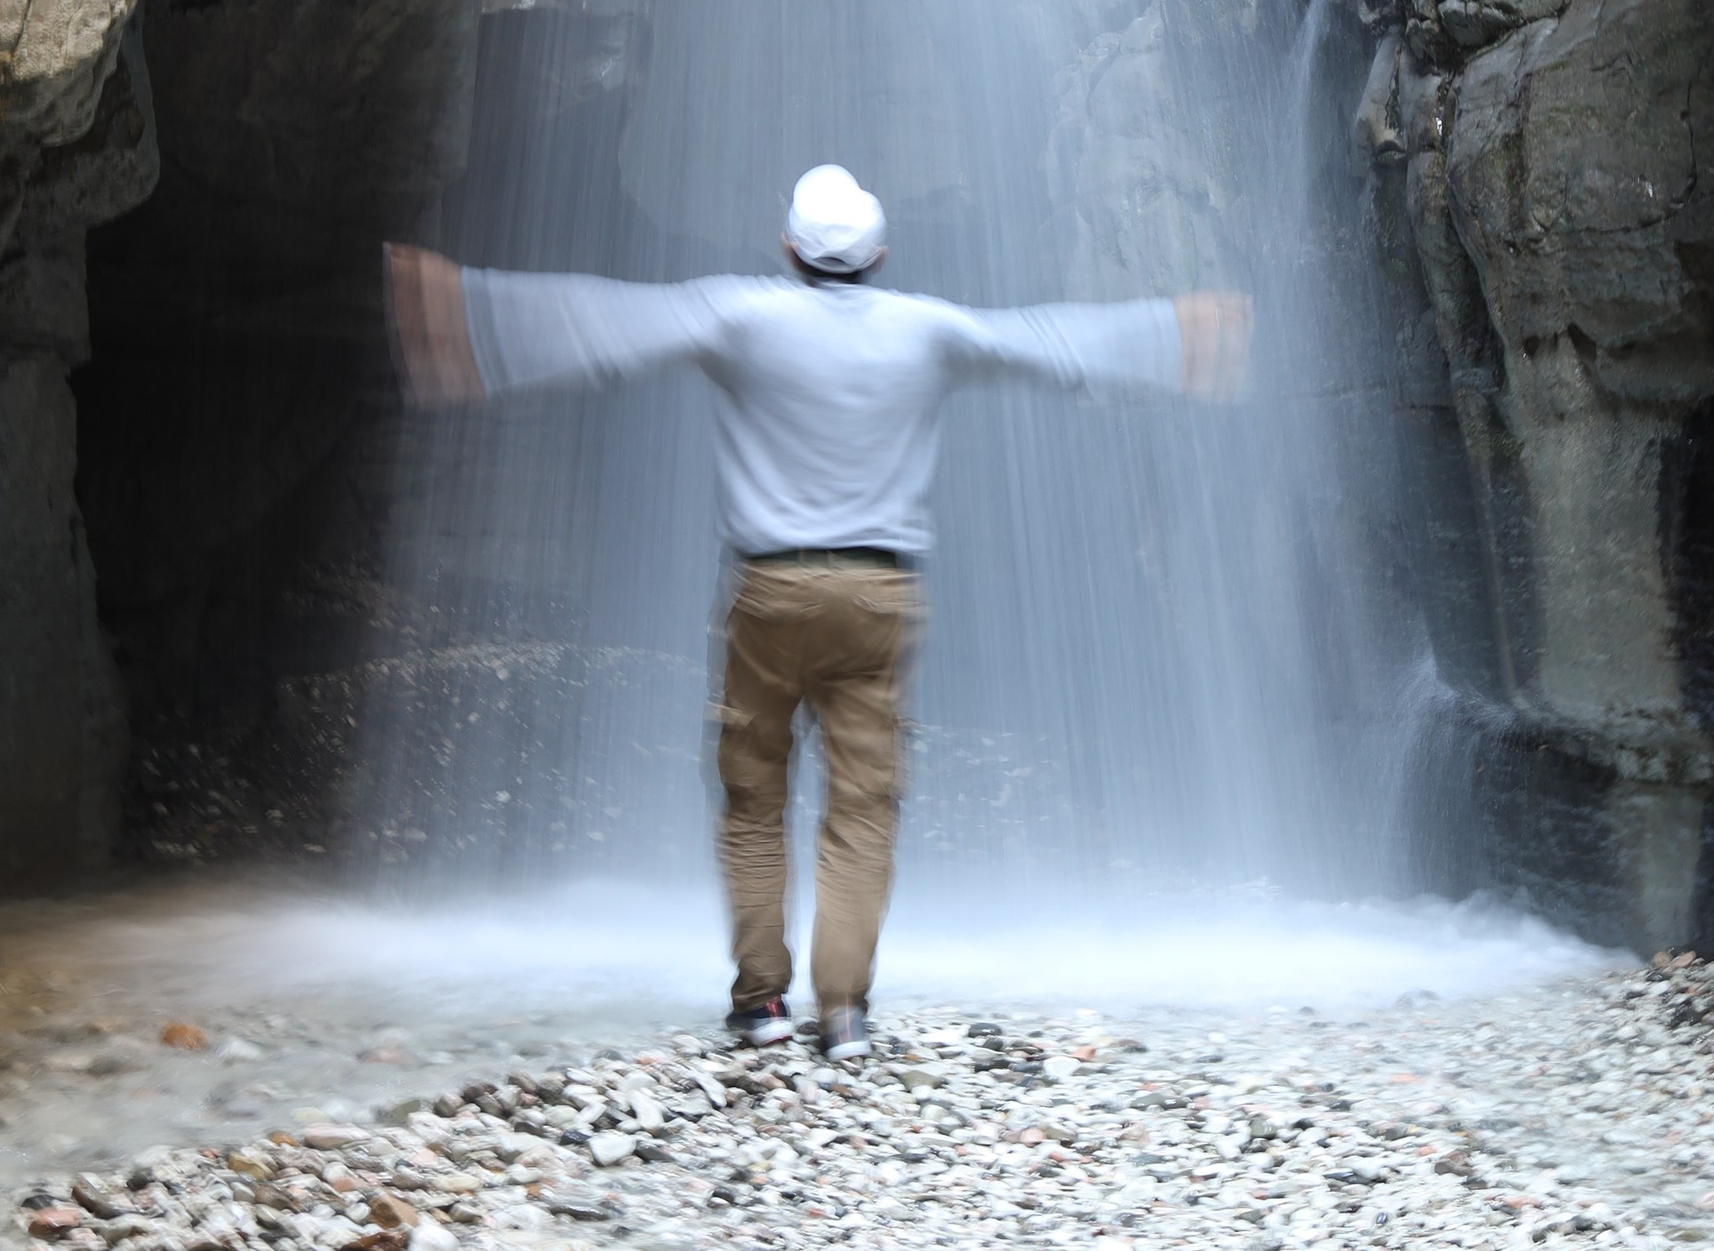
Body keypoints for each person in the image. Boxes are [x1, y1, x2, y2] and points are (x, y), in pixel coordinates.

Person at [384, 165, 1250, 1057]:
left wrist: (467, 314)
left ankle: (761, 1003)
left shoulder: (742, 315)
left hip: (771, 592)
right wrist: (1175, 336)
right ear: (879, 253)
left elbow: (609, 323)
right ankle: (843, 1012)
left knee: (755, 795)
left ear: (789, 247)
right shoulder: (928, 328)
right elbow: (1045, 343)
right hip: (880, 599)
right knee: (863, 804)